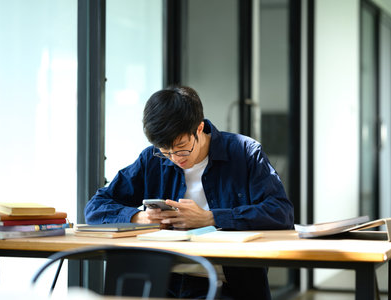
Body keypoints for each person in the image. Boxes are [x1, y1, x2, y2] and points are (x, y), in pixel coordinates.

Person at [85, 86, 294, 299]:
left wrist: (210, 218)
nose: (175, 157)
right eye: (165, 152)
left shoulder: (245, 153)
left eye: (181, 147)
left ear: (200, 128)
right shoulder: (151, 159)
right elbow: (95, 207)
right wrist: (140, 217)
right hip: (160, 282)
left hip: (225, 286)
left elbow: (281, 213)